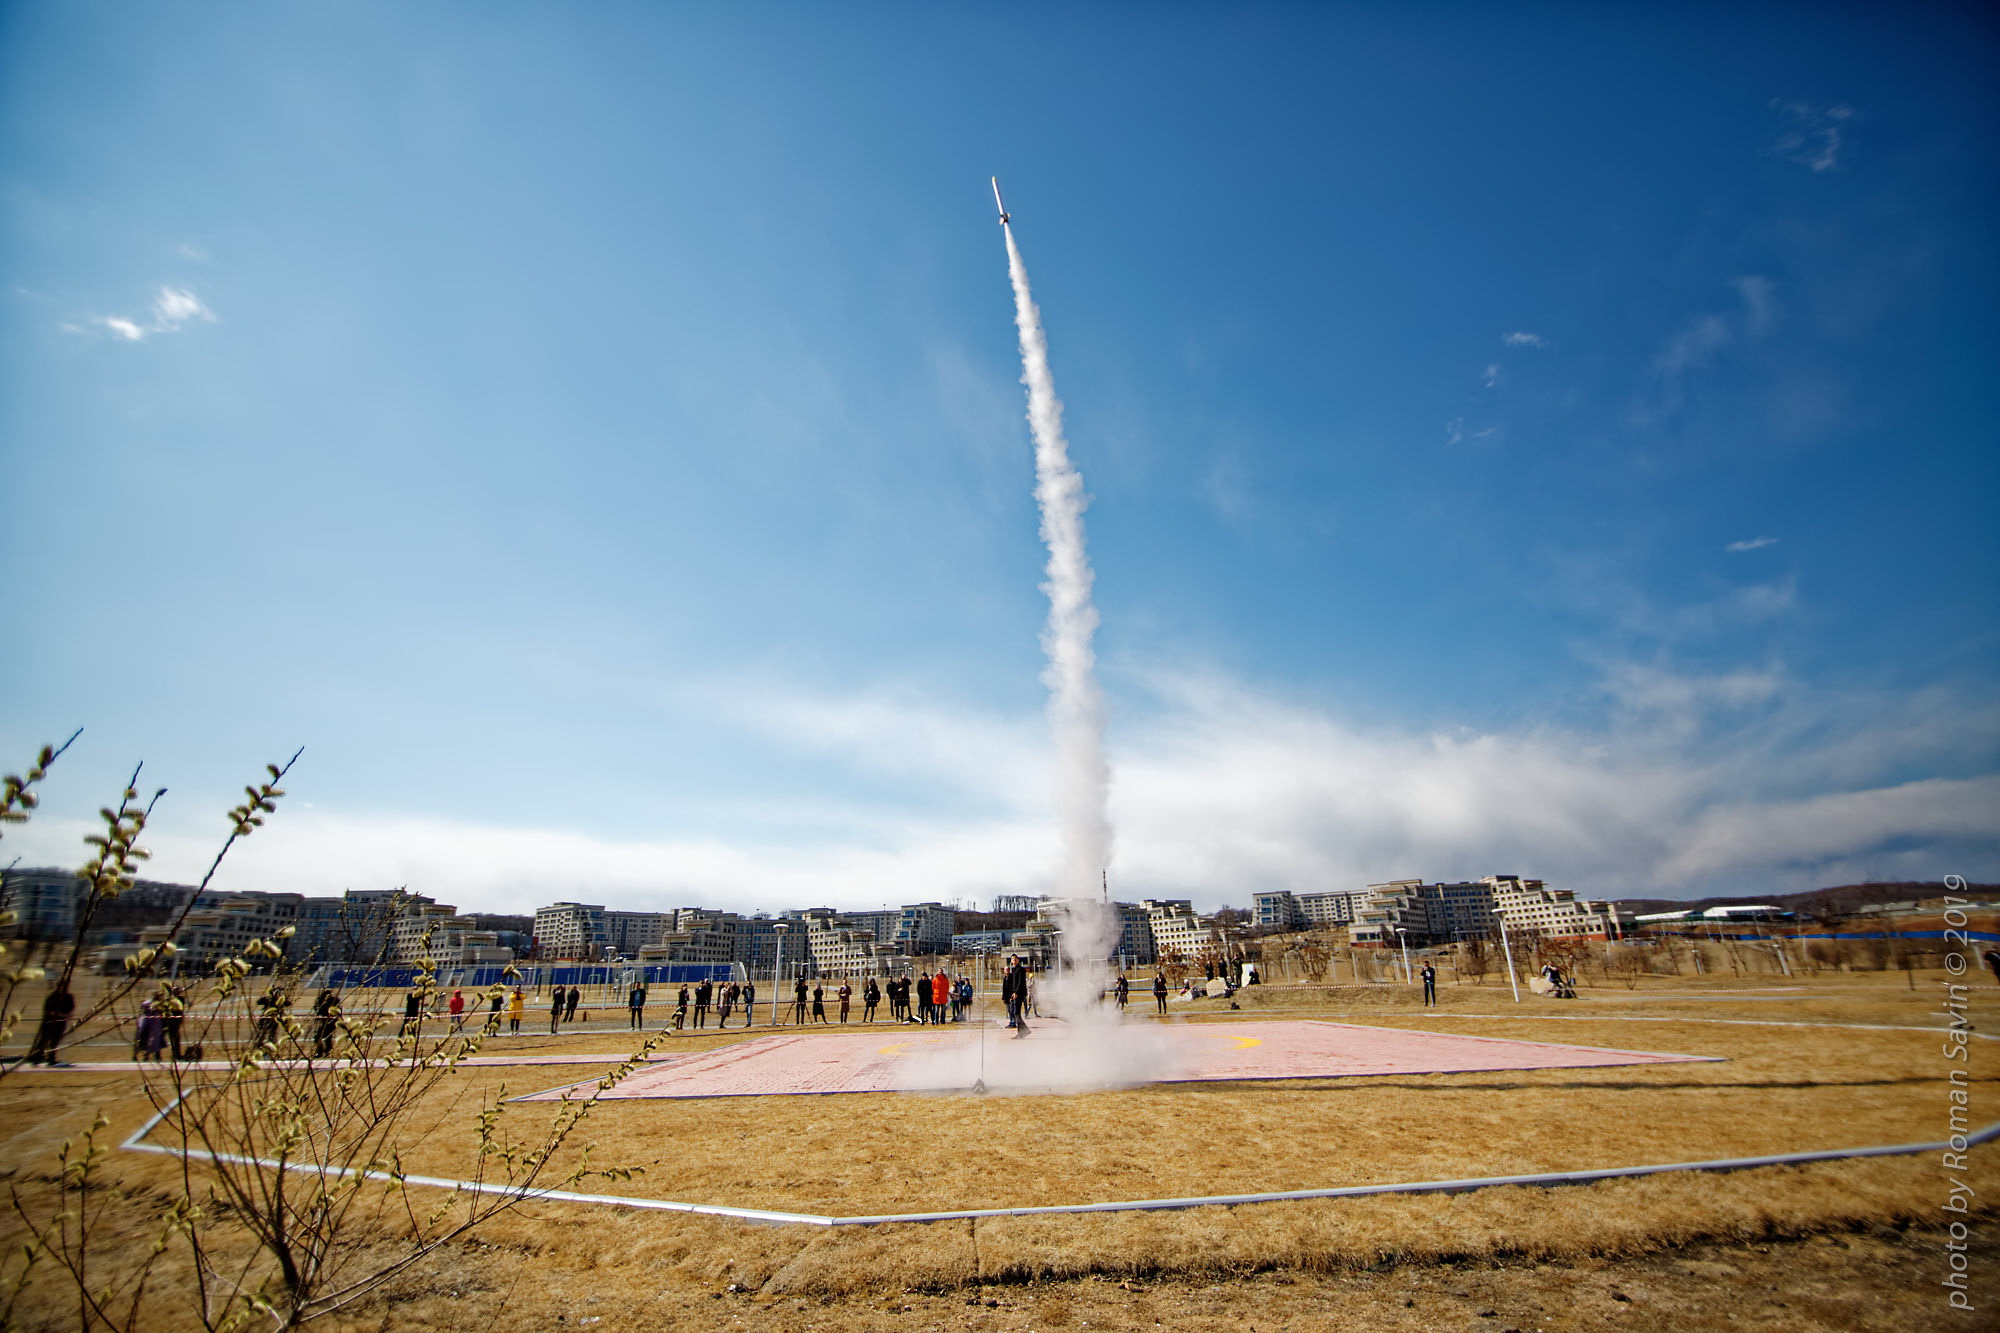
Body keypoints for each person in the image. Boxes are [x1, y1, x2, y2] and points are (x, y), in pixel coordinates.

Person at [25, 983, 76, 1066]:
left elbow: (71, 1008)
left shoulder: (68, 997)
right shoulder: (53, 997)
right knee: (43, 1041)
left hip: (61, 1022)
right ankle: (36, 1057)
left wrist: (67, 1016)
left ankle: (51, 1058)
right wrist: (59, 1014)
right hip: (49, 1022)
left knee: (55, 1041)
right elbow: (48, 1010)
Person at [312, 988, 341, 1058]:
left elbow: (318, 1009)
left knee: (319, 1038)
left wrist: (322, 996)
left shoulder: (328, 1005)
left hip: (329, 1024)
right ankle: (326, 1052)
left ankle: (322, 1052)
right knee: (327, 1039)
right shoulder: (335, 1004)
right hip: (330, 1024)